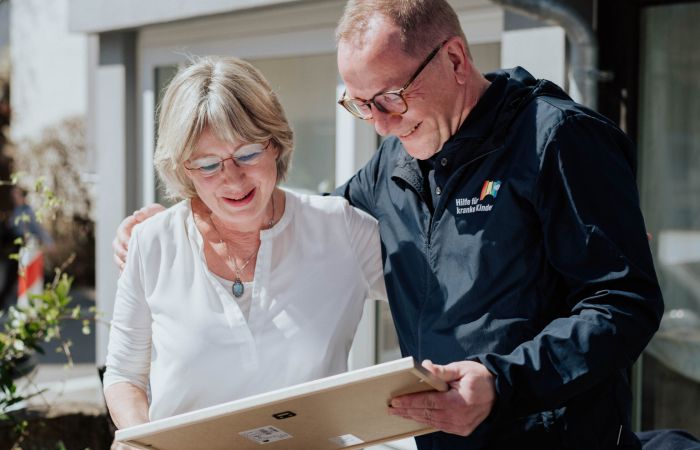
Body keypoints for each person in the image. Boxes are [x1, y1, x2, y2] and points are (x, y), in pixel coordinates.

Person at [114, 1, 689, 449]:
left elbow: (624, 302)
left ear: (455, 59)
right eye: (360, 105)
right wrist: (190, 213)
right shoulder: (396, 160)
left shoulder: (558, 140)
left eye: (390, 97)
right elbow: (301, 220)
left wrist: (503, 382)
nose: (381, 125)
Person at [102, 56, 386, 436]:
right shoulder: (152, 242)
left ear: (275, 145)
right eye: (208, 165)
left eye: (248, 153)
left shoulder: (340, 230)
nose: (233, 179)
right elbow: (124, 375)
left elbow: (434, 303)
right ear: (183, 169)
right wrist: (145, 439)